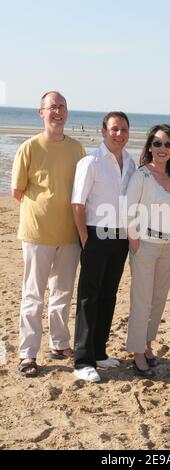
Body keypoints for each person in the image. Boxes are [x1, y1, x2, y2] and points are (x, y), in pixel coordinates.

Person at [11, 91, 86, 377]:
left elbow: (82, 191)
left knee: (63, 293)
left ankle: (59, 344)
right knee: (33, 295)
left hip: (69, 235)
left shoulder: (78, 149)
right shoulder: (29, 148)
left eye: (62, 107)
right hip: (36, 234)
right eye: (52, 107)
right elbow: (17, 192)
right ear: (41, 112)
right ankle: (28, 354)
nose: (58, 111)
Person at [71, 111, 136, 382]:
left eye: (123, 129)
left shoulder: (130, 162)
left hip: (120, 236)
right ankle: (82, 361)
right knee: (89, 296)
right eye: (114, 129)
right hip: (96, 234)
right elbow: (78, 203)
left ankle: (99, 352)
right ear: (103, 131)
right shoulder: (91, 162)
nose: (118, 133)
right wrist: (86, 238)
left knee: (108, 294)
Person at [125, 125, 170, 378]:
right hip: (145, 246)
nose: (162, 149)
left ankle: (148, 344)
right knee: (142, 300)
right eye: (157, 143)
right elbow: (127, 212)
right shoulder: (142, 176)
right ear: (149, 146)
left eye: (168, 144)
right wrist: (136, 245)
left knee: (159, 299)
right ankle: (137, 354)